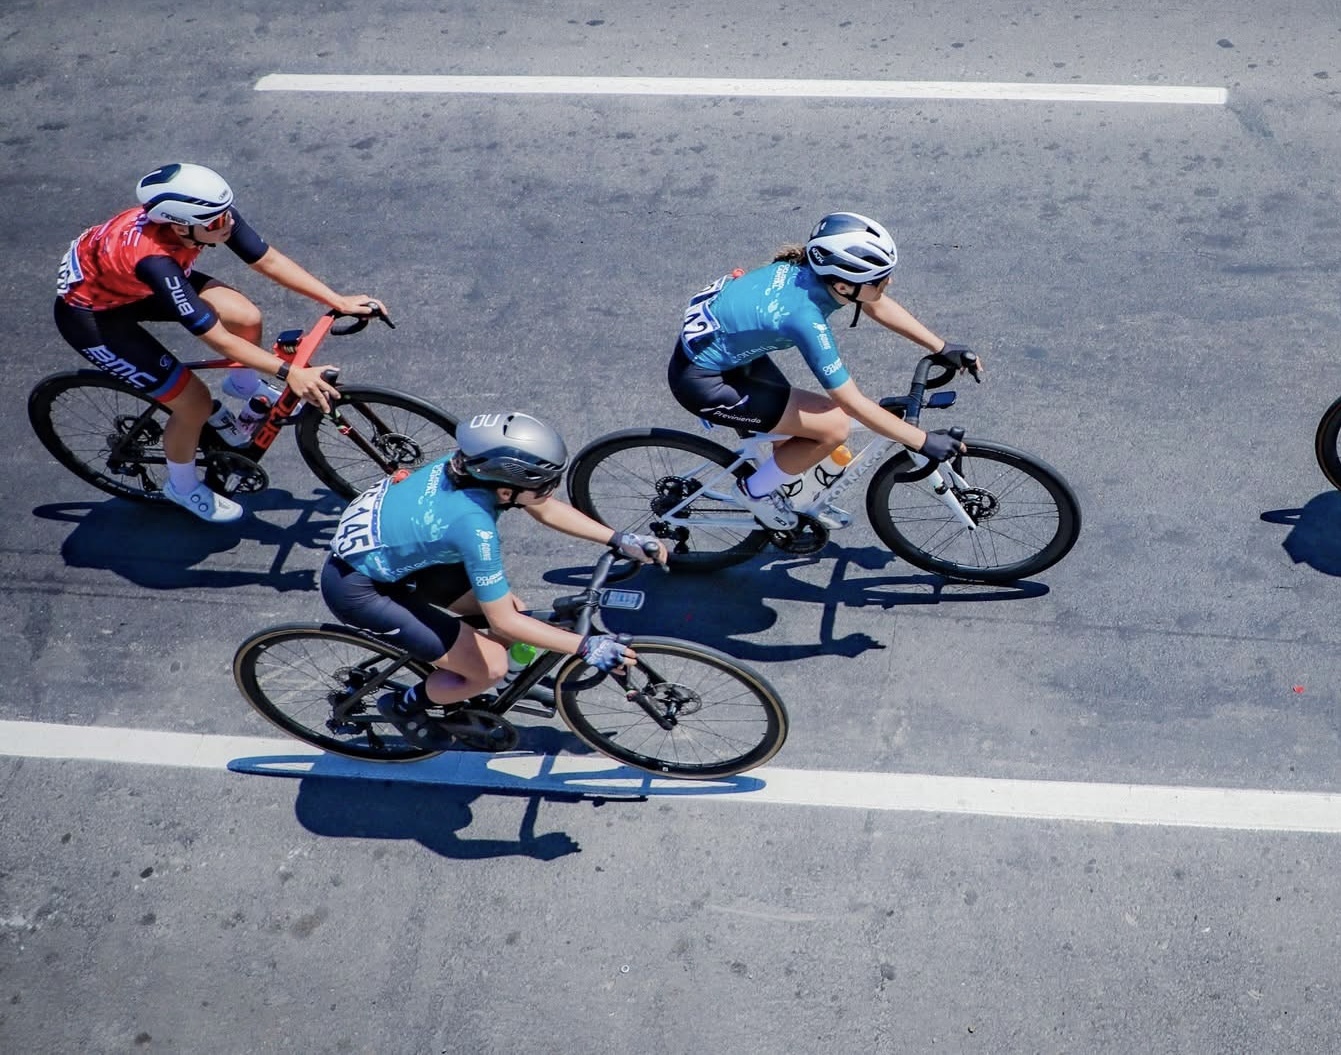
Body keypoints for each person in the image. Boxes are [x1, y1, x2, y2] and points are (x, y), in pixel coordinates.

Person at [53, 162, 385, 523]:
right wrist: (290, 372)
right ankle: (181, 486)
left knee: (246, 317)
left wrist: (337, 299)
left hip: (129, 284)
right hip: (94, 316)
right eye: (213, 223)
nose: (226, 225)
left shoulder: (207, 217)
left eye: (226, 214)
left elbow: (267, 259)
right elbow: (218, 339)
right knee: (193, 403)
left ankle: (243, 385)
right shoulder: (157, 262)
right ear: (179, 226)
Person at [320, 410, 668, 749]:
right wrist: (585, 646)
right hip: (359, 590)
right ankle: (404, 705)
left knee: (514, 612)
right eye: (545, 483)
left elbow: (544, 507)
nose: (551, 489)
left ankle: (499, 682)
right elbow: (504, 622)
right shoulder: (473, 526)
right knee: (491, 666)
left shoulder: (472, 468)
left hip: (402, 555)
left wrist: (618, 539)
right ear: (505, 490)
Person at [668, 210, 979, 530]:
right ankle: (754, 493)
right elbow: (851, 402)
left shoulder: (813, 274)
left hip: (726, 355)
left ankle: (785, 486)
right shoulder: (804, 317)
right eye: (880, 279)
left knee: (797, 435)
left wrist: (941, 346)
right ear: (843, 286)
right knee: (833, 427)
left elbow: (874, 301)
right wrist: (921, 440)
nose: (889, 282)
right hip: (705, 383)